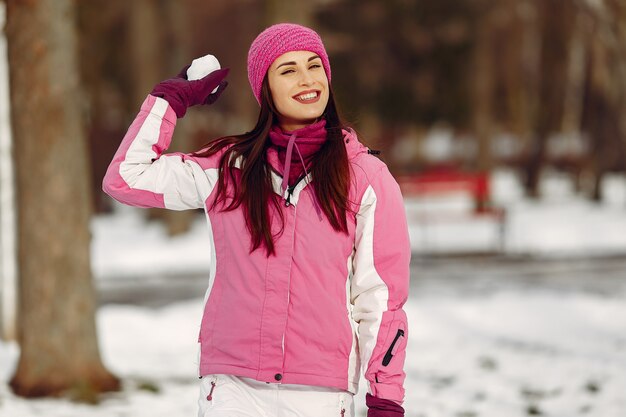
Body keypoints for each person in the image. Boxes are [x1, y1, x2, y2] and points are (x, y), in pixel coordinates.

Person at [103, 23, 410, 417]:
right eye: (288, 70)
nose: (307, 79)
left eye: (314, 66)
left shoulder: (365, 177)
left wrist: (385, 397)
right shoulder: (228, 168)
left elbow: (380, 299)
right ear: (265, 88)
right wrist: (169, 101)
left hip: (319, 392)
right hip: (233, 388)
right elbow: (125, 178)